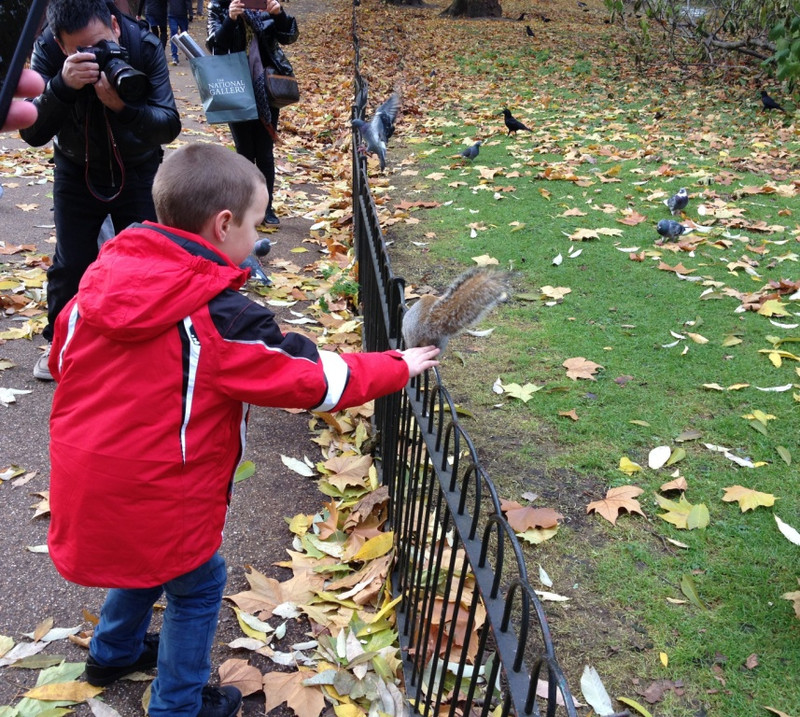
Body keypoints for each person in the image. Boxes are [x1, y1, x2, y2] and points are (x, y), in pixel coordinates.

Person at [46, 142, 440, 717]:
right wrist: (397, 365)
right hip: (162, 487)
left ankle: (113, 652)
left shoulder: (96, 284)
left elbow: (61, 361)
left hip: (86, 475)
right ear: (223, 223)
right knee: (198, 582)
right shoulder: (217, 316)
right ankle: (178, 705)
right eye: (256, 224)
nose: (258, 237)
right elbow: (309, 377)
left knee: (144, 560)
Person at [20, 0, 181, 381]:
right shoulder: (46, 49)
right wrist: (61, 86)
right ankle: (60, 345)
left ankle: (148, 348)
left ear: (114, 24)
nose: (94, 56)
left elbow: (169, 124)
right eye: (80, 50)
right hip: (77, 166)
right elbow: (32, 132)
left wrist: (124, 108)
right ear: (61, 46)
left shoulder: (144, 44)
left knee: (146, 264)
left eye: (101, 43)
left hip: (139, 166)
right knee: (71, 263)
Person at [207, 0, 297, 226]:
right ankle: (244, 207)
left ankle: (266, 207)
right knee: (244, 152)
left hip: (265, 88)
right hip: (235, 86)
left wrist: (279, 15)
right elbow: (215, 44)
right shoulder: (219, 6)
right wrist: (230, 19)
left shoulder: (265, 5)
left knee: (265, 152)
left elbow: (289, 36)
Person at [167, 0, 192, 64]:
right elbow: (188, 2)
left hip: (176, 14)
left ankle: (177, 56)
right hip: (178, 14)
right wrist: (190, 13)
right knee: (180, 35)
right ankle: (175, 56)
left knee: (177, 35)